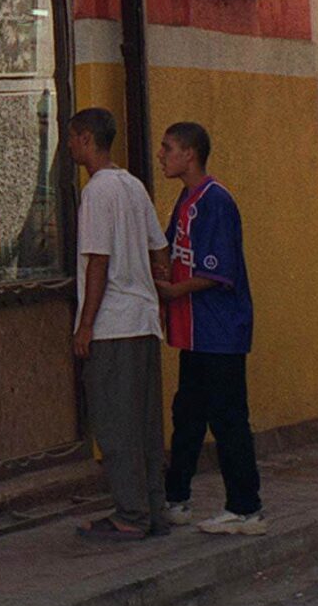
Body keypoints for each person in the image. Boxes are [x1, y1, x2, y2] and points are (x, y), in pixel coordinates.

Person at [157, 122, 265, 536]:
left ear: (190, 154)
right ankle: (176, 498)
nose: (162, 155)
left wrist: (173, 291)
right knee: (187, 414)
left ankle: (246, 507)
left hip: (219, 331)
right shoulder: (185, 201)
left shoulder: (215, 201)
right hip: (194, 333)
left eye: (168, 148)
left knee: (228, 418)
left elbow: (217, 272)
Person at [69, 108, 170, 542]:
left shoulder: (97, 192)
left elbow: (98, 261)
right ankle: (153, 507)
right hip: (144, 319)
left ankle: (130, 513)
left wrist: (85, 324)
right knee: (145, 422)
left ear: (87, 139)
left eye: (73, 138)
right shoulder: (134, 186)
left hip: (113, 323)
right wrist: (154, 294)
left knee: (114, 421)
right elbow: (158, 250)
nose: (70, 146)